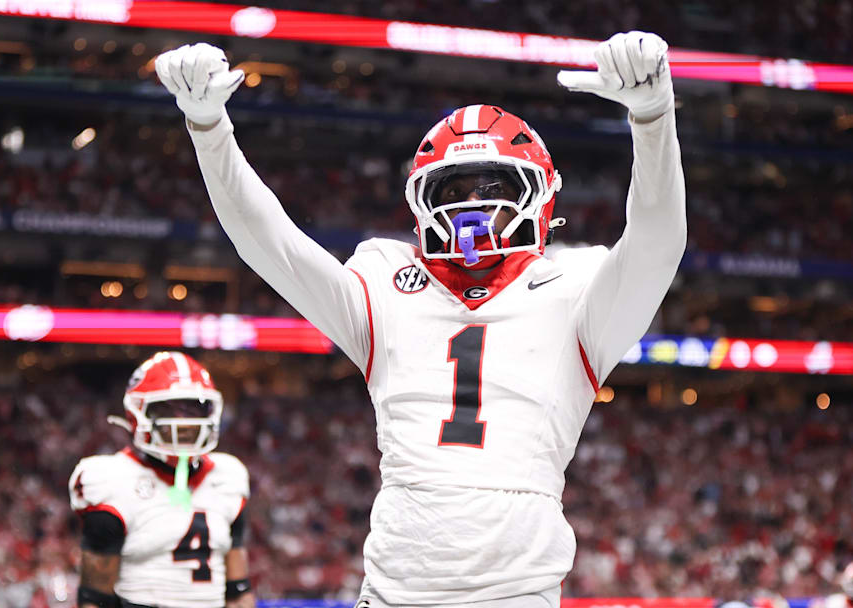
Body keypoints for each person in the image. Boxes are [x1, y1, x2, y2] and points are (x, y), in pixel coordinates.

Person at [156, 30, 685, 607]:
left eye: (494, 187)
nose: (473, 206)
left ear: (541, 196)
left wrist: (653, 119)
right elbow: (271, 245)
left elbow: (657, 244)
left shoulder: (575, 288)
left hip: (515, 593)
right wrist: (209, 129)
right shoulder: (386, 280)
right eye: (454, 188)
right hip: (394, 591)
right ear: (421, 200)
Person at [68, 351, 254, 608]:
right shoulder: (112, 479)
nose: (186, 424)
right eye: (170, 410)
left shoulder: (229, 476)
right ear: (138, 413)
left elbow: (238, 591)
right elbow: (95, 599)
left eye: (194, 409)